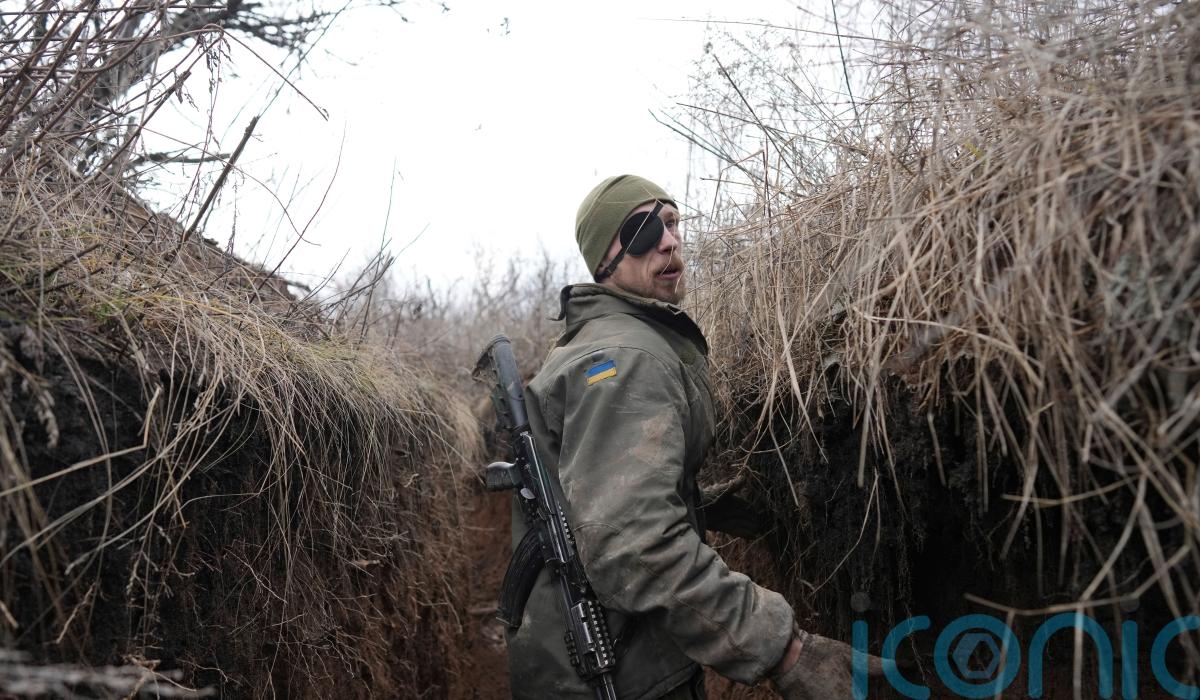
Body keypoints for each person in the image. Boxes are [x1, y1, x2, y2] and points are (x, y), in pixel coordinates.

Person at [505, 175, 871, 699]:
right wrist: (782, 649)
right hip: (619, 676)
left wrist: (714, 505)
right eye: (643, 230)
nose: (669, 241)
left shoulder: (603, 342)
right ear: (603, 258)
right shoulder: (625, 358)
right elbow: (631, 543)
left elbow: (589, 499)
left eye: (673, 223)